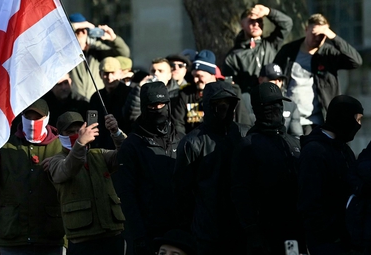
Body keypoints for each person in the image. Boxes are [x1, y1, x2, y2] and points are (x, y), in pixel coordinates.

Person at [173, 81, 249, 255]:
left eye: (228, 104)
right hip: (207, 231)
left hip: (241, 228)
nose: (224, 109)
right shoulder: (192, 142)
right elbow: (181, 191)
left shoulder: (244, 136)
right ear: (208, 106)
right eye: (218, 104)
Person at [231, 83, 302, 255]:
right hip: (264, 229)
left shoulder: (293, 143)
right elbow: (240, 190)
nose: (277, 108)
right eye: (270, 105)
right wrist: (251, 229)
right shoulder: (247, 145)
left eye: (279, 103)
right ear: (258, 109)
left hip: (294, 229)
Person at [47, 112, 126, 255]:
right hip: (82, 239)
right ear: (60, 135)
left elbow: (126, 156)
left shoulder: (98, 155)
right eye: (70, 132)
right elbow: (68, 168)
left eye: (79, 131)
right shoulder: (55, 161)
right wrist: (80, 144)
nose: (77, 134)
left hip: (111, 234)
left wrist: (116, 132)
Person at [118, 82, 181, 255]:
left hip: (178, 230)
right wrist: (139, 235)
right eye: (153, 106)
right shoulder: (131, 146)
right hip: (147, 233)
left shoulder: (182, 140)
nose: (158, 109)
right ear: (144, 107)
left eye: (162, 105)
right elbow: (126, 195)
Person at [0, 99, 65, 254]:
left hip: (51, 235)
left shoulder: (60, 146)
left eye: (37, 118)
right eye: (29, 118)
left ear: (47, 118)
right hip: (13, 234)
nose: (33, 123)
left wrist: (62, 161)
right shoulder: (4, 145)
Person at [274, 13, 362, 134]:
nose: (318, 38)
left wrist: (333, 37)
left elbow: (356, 61)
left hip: (318, 120)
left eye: (322, 36)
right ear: (306, 29)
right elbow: (274, 74)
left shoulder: (328, 53)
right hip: (290, 117)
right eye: (315, 34)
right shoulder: (289, 51)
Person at [298, 95, 364, 255]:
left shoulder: (344, 150)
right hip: (326, 243)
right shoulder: (314, 152)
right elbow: (310, 203)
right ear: (344, 117)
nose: (359, 125)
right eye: (357, 119)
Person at [223, 4, 293, 94]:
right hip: (250, 103)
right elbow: (230, 87)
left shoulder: (270, 44)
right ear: (242, 24)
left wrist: (268, 12)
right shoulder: (233, 56)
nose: (256, 24)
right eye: (251, 21)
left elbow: (287, 24)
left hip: (274, 97)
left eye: (259, 20)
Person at [68, 13, 130, 102]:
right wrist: (81, 26)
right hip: (75, 101)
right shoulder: (67, 52)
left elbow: (124, 54)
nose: (82, 33)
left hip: (97, 100)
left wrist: (113, 39)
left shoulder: (97, 49)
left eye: (84, 30)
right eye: (77, 31)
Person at [242, 63, 304, 138]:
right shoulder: (245, 99)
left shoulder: (290, 104)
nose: (277, 83)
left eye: (280, 80)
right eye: (273, 79)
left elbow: (297, 135)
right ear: (260, 79)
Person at [89, 57, 131, 149]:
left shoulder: (130, 94)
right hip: (101, 147)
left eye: (113, 73)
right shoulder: (96, 97)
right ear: (100, 74)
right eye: (106, 73)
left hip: (124, 145)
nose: (109, 77)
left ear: (120, 73)